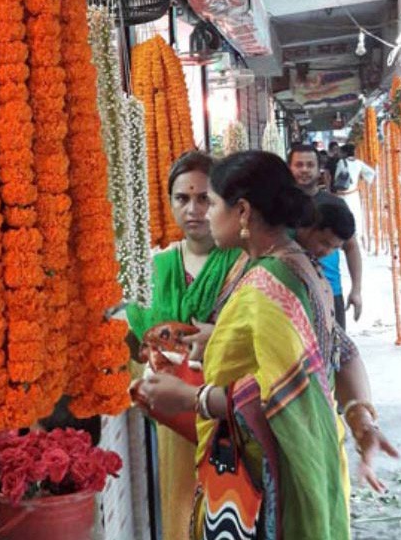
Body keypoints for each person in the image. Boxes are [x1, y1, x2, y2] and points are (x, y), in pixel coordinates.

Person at [137, 151, 383, 539]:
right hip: (300, 460)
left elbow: (273, 393)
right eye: (186, 199)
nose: (203, 213)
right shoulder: (287, 264)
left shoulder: (269, 282)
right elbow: (342, 349)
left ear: (243, 212)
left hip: (270, 477)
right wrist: (361, 418)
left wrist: (192, 398)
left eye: (212, 202)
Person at [125, 151, 244, 540]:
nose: (192, 209)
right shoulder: (155, 268)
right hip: (173, 419)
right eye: (182, 198)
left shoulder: (245, 264)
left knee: (234, 508)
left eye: (204, 198)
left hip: (232, 409)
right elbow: (134, 339)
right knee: (178, 508)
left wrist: (219, 339)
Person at [289, 144, 364, 327]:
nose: (304, 170)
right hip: (290, 291)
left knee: (335, 352)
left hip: (330, 289)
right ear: (289, 168)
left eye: (310, 165)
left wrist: (356, 290)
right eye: (299, 165)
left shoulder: (335, 204)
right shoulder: (279, 206)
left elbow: (351, 246)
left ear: (318, 169)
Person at [332, 144, 376, 242]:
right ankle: (356, 236)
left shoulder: (341, 162)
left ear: (345, 153)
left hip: (342, 194)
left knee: (343, 214)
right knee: (355, 214)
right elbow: (371, 173)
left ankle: (343, 235)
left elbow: (337, 178)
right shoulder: (359, 163)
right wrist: (361, 178)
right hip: (353, 193)